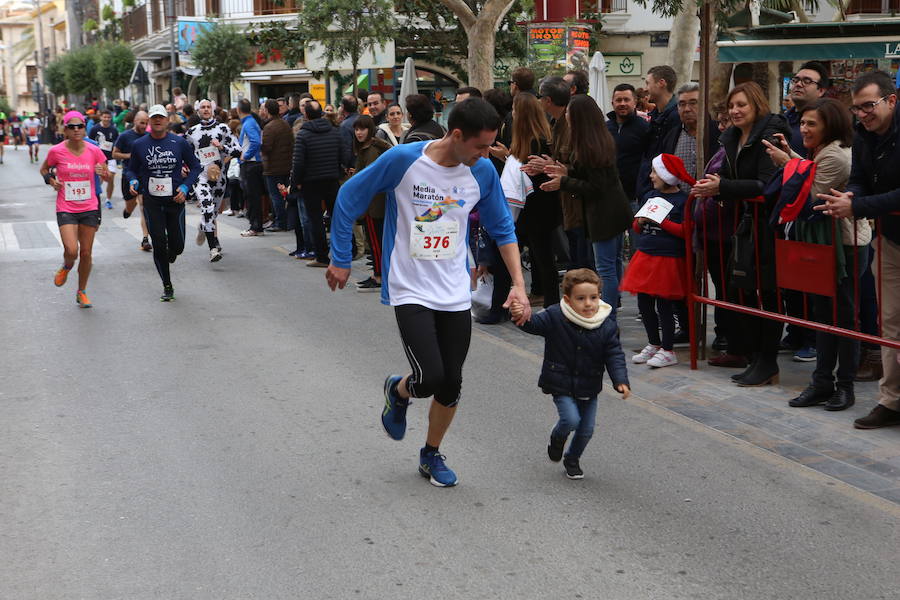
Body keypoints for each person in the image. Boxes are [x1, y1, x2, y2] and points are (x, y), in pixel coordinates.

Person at [325, 98, 531, 487]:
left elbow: (503, 228)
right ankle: (399, 390)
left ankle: (431, 454)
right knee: (431, 376)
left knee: (451, 381)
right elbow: (349, 197)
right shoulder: (403, 160)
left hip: (454, 287)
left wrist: (519, 285)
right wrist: (339, 257)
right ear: (456, 135)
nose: (488, 154)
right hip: (409, 285)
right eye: (481, 146)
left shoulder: (482, 171)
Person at [764, 98, 870, 411]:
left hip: (846, 245)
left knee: (844, 318)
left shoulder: (836, 154)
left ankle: (843, 386)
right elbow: (810, 173)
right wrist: (792, 157)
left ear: (831, 125)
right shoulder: (827, 150)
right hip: (830, 243)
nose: (804, 129)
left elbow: (809, 193)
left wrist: (786, 163)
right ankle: (822, 382)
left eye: (812, 124)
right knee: (826, 316)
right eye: (803, 123)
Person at [692, 82, 792, 387]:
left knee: (768, 293)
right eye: (731, 106)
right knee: (744, 290)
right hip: (747, 223)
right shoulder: (732, 137)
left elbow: (765, 184)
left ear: (756, 105)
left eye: (741, 105)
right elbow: (736, 180)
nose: (735, 111)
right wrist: (720, 185)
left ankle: (768, 360)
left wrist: (721, 187)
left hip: (771, 224)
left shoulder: (769, 134)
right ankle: (756, 356)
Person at [817, 70, 900, 429]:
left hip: (884, 228)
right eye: (857, 109)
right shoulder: (865, 136)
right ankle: (892, 400)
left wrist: (858, 207)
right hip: (890, 239)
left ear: (891, 100)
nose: (863, 114)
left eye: (869, 106)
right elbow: (861, 179)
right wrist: (852, 194)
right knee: (890, 324)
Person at [509, 269, 630, 479]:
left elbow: (614, 355)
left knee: (586, 430)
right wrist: (519, 314)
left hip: (589, 385)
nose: (588, 304)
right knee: (571, 420)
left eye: (593, 297)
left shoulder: (606, 325)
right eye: (581, 298)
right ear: (568, 299)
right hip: (561, 382)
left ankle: (572, 458)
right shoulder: (556, 315)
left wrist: (620, 380)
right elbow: (533, 324)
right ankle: (558, 437)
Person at [543, 93, 634, 315]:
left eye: (569, 114)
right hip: (613, 209)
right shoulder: (597, 139)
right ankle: (612, 309)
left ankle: (608, 316)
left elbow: (595, 187)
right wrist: (565, 171)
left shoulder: (590, 146)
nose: (566, 117)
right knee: (611, 264)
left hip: (603, 212)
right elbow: (592, 177)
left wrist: (564, 181)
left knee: (605, 268)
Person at [623, 154, 694, 368]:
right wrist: (640, 221)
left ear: (667, 175)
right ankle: (653, 342)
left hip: (668, 257)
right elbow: (636, 227)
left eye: (655, 172)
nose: (651, 176)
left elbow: (685, 231)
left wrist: (662, 222)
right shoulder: (649, 196)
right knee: (643, 302)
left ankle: (668, 348)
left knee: (664, 304)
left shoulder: (683, 201)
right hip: (646, 253)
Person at [125, 104, 202, 301]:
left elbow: (195, 167)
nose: (157, 120)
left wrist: (185, 187)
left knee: (178, 247)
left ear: (167, 120)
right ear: (150, 122)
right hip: (151, 202)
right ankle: (167, 285)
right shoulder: (139, 145)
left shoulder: (179, 143)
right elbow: (130, 169)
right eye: (154, 118)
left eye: (161, 117)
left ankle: (171, 252)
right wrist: (133, 180)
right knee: (158, 244)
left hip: (175, 201)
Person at [781, 61, 831, 361]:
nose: (798, 84)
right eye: (796, 80)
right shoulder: (785, 119)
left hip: (815, 215)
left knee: (814, 281)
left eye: (807, 81)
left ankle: (813, 339)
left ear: (822, 89)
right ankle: (796, 331)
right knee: (792, 279)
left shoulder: (825, 121)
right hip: (790, 214)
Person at [39, 111, 109, 308]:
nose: (76, 129)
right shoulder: (56, 151)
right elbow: (44, 169)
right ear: (66, 130)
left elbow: (108, 175)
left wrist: (103, 172)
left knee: (86, 253)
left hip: (89, 206)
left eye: (80, 126)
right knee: (72, 250)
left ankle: (81, 291)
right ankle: (67, 266)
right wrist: (51, 180)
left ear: (84, 128)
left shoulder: (94, 150)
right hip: (66, 206)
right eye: (72, 126)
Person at [511, 92, 561, 309]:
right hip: (538, 206)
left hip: (537, 207)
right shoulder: (538, 137)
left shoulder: (535, 141)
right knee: (540, 256)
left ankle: (552, 305)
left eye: (514, 108)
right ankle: (546, 301)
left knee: (543, 258)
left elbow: (528, 172)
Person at [285, 100, 349, 267]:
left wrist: (294, 183)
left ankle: (321, 256)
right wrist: (341, 171)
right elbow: (345, 156)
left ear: (305, 115)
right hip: (332, 180)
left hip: (310, 183)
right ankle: (342, 253)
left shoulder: (303, 134)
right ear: (322, 113)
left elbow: (298, 163)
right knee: (337, 217)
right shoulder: (335, 131)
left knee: (315, 220)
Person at [185, 99, 240, 262]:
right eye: (203, 107)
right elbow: (185, 153)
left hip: (219, 178)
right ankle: (213, 248)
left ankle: (204, 227)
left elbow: (238, 151)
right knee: (207, 207)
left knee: (213, 212)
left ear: (213, 109)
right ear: (198, 110)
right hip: (200, 176)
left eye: (209, 106)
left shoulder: (223, 129)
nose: (206, 109)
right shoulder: (191, 132)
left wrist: (221, 147)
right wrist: (183, 167)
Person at [348, 114, 391, 291]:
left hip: (374, 205)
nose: (359, 132)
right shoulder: (367, 148)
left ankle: (379, 277)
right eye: (356, 129)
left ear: (370, 130)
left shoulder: (372, 150)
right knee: (376, 241)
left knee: (375, 242)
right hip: (373, 203)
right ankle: (378, 274)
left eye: (363, 129)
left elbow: (370, 178)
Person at [113, 110, 153, 252]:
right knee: (131, 206)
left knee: (144, 206)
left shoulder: (149, 136)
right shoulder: (125, 136)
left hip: (144, 176)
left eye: (146, 123)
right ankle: (128, 210)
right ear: (135, 121)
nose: (144, 125)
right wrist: (130, 156)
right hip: (128, 174)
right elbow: (114, 153)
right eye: (142, 122)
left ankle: (145, 238)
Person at [607, 83, 649, 204]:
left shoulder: (645, 128)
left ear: (635, 102)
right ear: (612, 103)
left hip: (635, 197)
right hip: (609, 195)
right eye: (618, 100)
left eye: (626, 99)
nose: (622, 103)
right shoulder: (605, 128)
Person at [260, 98, 294, 232]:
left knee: (276, 196)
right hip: (286, 164)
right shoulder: (285, 124)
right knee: (286, 195)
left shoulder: (269, 127)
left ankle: (280, 222)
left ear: (267, 110)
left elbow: (267, 148)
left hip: (273, 167)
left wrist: (260, 147)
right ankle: (287, 221)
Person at [237, 99, 266, 237]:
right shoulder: (250, 122)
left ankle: (255, 226)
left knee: (252, 196)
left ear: (238, 110)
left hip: (251, 165)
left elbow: (255, 141)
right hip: (252, 164)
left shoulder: (248, 123)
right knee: (252, 196)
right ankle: (256, 226)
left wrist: (246, 156)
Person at [89, 110, 119, 210]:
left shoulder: (114, 130)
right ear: (101, 117)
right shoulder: (95, 129)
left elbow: (116, 143)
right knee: (100, 179)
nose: (106, 119)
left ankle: (108, 200)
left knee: (111, 179)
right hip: (98, 159)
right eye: (104, 117)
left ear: (111, 118)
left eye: (108, 117)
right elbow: (89, 143)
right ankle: (95, 197)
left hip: (110, 158)